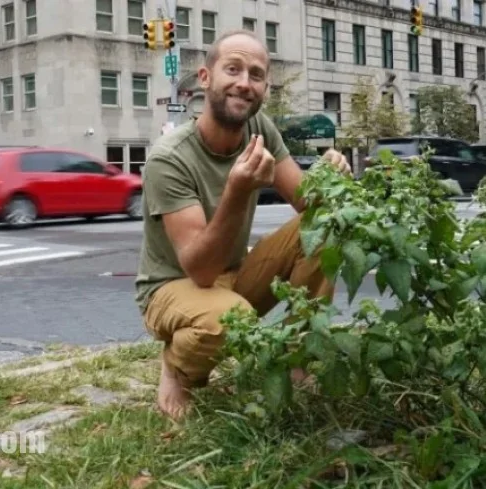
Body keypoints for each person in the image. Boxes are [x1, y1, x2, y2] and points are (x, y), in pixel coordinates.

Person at [134, 29, 351, 420]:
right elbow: (200, 270)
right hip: (172, 286)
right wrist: (237, 190)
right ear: (206, 78)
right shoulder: (169, 158)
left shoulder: (259, 129)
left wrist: (330, 177)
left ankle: (297, 359)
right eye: (232, 69)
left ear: (265, 87)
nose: (244, 83)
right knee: (230, 321)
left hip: (234, 274)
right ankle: (177, 367)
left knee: (324, 226)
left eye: (256, 75)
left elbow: (308, 203)